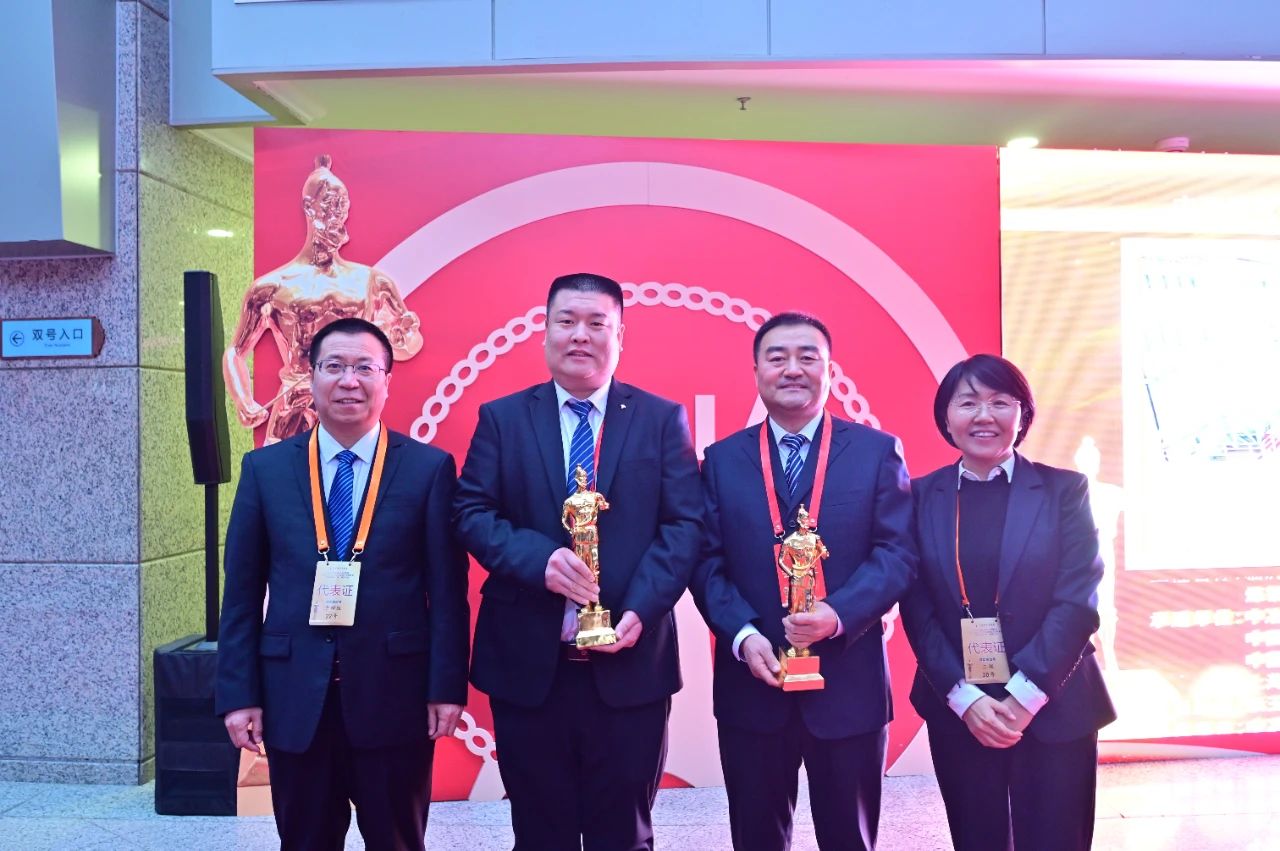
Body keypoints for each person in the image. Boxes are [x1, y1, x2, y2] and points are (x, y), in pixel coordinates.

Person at [454, 272, 702, 851]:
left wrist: (641, 608)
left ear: (621, 336)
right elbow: (470, 512)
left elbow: (685, 525)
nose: (580, 335)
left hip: (631, 663)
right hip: (528, 666)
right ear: (545, 333)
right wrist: (538, 560)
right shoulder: (503, 419)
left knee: (625, 834)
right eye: (566, 322)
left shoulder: (660, 419)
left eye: (597, 323)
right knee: (541, 834)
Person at [215, 317, 469, 850]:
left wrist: (445, 688)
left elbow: (448, 592)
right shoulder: (265, 470)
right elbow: (240, 594)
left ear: (386, 381)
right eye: (334, 366)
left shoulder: (428, 469)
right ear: (311, 377)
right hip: (293, 699)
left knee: (397, 841)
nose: (349, 381)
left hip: (394, 698)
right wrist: (239, 695)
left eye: (364, 368)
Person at [691, 312, 917, 851]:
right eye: (777, 358)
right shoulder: (722, 461)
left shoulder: (876, 452)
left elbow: (898, 553)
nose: (792, 369)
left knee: (850, 839)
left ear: (829, 370)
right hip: (754, 682)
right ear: (756, 372)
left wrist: (839, 614)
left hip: (849, 684)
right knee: (756, 838)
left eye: (807, 357)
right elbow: (704, 562)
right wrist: (742, 635)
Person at [900, 354, 1116, 851]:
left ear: (1023, 415)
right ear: (946, 417)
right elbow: (917, 607)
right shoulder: (918, 496)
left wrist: (1025, 695)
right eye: (968, 403)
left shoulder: (1064, 490)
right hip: (960, 707)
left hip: (1056, 701)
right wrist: (965, 698)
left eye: (1000, 402)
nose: (984, 416)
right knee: (978, 839)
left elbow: (1078, 600)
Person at [223, 154, 423, 444]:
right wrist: (243, 399)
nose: (336, 214)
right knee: (282, 470)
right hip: (294, 405)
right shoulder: (273, 286)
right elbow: (236, 350)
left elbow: (406, 347)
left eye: (342, 206)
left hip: (355, 405)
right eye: (329, 204)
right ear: (309, 207)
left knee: (361, 468)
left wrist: (403, 336)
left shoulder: (371, 282)